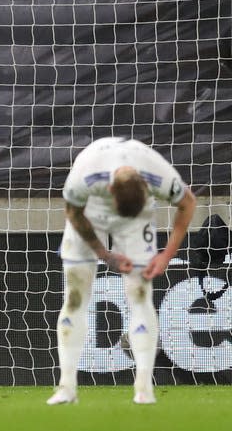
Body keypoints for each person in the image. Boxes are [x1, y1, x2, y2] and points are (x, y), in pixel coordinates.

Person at [47, 137, 196, 405]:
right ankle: (66, 387)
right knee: (75, 296)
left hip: (137, 221)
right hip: (89, 212)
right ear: (111, 191)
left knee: (140, 294)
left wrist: (166, 255)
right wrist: (103, 254)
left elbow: (188, 203)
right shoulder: (85, 175)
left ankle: (143, 388)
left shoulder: (159, 175)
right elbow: (73, 212)